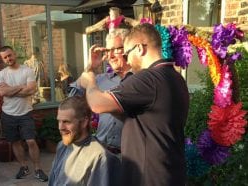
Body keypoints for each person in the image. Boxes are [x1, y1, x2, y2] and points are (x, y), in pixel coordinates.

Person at [79, 23, 189, 185]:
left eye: (127, 52)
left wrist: (90, 82)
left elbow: (97, 104)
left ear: (140, 48)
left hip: (148, 176)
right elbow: (147, 121)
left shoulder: (148, 78)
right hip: (169, 171)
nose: (127, 59)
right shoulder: (176, 78)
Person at [69, 28, 131, 154]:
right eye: (108, 51)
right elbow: (71, 102)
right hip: (102, 151)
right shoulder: (100, 80)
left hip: (129, 154)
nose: (110, 55)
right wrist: (90, 68)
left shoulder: (142, 81)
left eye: (116, 49)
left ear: (129, 49)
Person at [0, 46, 48, 182]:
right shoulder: (1, 74)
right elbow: (2, 93)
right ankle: (24, 167)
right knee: (15, 142)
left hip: (25, 112)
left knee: (31, 141)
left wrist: (11, 90)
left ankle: (37, 169)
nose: (8, 58)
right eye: (5, 57)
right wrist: (21, 87)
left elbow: (31, 90)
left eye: (10, 55)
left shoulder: (27, 71)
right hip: (8, 113)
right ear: (3, 59)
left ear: (14, 54)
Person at [48, 96, 121, 186]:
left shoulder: (100, 157)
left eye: (66, 122)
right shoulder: (62, 146)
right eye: (59, 121)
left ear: (84, 122)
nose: (60, 127)